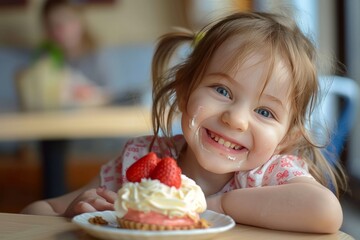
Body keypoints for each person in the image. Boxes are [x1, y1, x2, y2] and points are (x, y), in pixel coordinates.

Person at [21, 11, 347, 233]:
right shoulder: (142, 161)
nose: (236, 119)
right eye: (222, 90)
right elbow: (33, 215)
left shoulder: (270, 175)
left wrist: (209, 205)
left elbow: (327, 212)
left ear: (287, 137)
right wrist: (71, 213)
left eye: (265, 112)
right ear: (184, 90)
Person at [17, 0, 111, 111]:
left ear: (81, 20)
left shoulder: (96, 56)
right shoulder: (44, 59)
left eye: (67, 20)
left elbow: (108, 97)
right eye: (53, 25)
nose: (62, 29)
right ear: (47, 30)